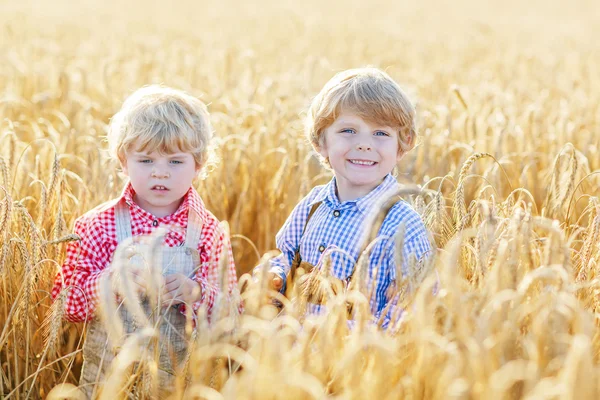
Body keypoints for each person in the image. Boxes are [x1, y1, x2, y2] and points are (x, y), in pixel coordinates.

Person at [51, 85, 238, 398]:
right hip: (109, 385)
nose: (160, 173)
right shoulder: (97, 226)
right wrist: (111, 283)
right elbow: (64, 305)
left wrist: (196, 293)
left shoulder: (208, 231)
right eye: (146, 160)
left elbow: (232, 312)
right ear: (123, 162)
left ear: (199, 165)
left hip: (180, 386)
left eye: (175, 162)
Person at [264, 67, 432, 325]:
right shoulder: (312, 205)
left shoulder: (403, 226)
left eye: (381, 133)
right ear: (321, 142)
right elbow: (287, 257)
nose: (364, 144)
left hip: (356, 360)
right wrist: (275, 276)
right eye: (348, 131)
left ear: (402, 145)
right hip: (290, 356)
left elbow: (413, 310)